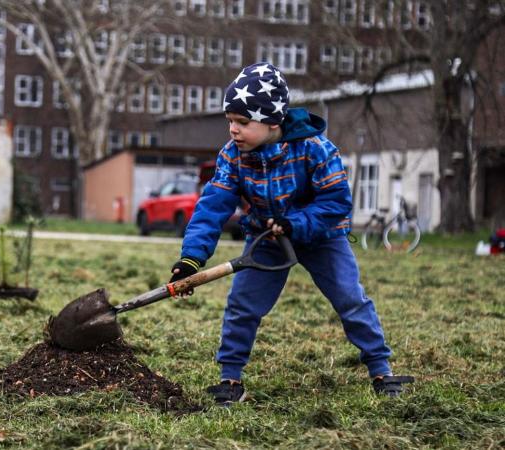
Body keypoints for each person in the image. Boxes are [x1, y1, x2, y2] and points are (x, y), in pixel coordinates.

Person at [169, 62, 412, 404]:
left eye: (242, 122)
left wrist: (296, 223)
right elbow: (213, 206)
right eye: (230, 122)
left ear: (272, 122)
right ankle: (230, 378)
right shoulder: (233, 156)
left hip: (322, 238)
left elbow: (336, 201)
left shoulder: (315, 149)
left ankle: (381, 369)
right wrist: (191, 258)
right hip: (267, 240)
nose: (233, 131)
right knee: (242, 305)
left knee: (350, 298)